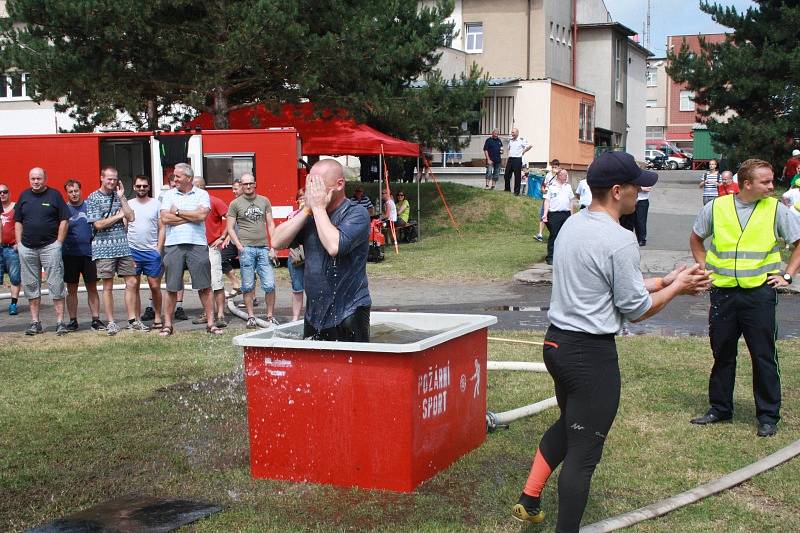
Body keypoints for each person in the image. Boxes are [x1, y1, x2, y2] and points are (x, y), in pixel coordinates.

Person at [512, 151, 710, 531]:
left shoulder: (571, 224)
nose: (641, 192)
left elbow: (609, 288)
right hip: (590, 356)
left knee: (571, 423)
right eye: (637, 186)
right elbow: (635, 309)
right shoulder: (620, 240)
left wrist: (666, 282)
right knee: (584, 452)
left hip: (557, 345)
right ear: (618, 191)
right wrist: (678, 289)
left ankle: (529, 498)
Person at [689, 158, 800, 438]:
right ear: (746, 183)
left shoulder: (775, 209)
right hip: (724, 293)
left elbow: (798, 242)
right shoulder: (716, 207)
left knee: (763, 355)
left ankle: (767, 415)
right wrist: (704, 267)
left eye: (772, 180)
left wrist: (788, 275)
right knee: (722, 353)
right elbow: (696, 238)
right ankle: (720, 408)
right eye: (766, 182)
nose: (772, 186)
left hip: (759, 294)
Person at [272, 159, 371, 341]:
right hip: (315, 313)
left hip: (350, 310)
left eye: (318, 185)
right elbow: (277, 241)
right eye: (311, 185)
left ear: (339, 184)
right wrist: (307, 210)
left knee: (352, 369)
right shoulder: (311, 215)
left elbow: (334, 246)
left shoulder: (357, 213)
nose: (313, 192)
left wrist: (317, 209)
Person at [159, 162, 223, 336]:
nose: (174, 179)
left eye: (178, 176)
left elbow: (202, 215)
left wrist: (178, 212)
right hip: (173, 245)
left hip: (198, 244)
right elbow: (164, 218)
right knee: (172, 287)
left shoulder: (202, 194)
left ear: (188, 178)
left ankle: (211, 324)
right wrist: (191, 216)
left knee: (205, 286)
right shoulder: (168, 194)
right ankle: (167, 325)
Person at [86, 167, 147, 335]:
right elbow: (97, 224)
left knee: (132, 282)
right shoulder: (93, 198)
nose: (112, 182)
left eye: (114, 179)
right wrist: (118, 216)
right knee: (107, 286)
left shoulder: (118, 195)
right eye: (109, 179)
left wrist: (122, 198)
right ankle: (111, 322)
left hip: (123, 246)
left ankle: (133, 320)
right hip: (103, 248)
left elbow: (131, 217)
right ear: (101, 178)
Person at [14, 167, 70, 335]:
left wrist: (58, 243)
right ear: (29, 179)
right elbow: (18, 222)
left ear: (45, 178)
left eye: (39, 178)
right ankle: (35, 323)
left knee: (56, 284)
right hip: (27, 249)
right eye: (33, 179)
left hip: (50, 248)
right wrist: (19, 244)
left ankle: (60, 322)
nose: (36, 181)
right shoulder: (24, 196)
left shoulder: (54, 195)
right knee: (31, 285)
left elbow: (64, 220)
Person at [226, 172, 278, 329]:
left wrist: (273, 246)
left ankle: (270, 316)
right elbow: (229, 227)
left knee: (269, 285)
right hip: (246, 249)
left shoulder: (264, 201)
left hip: (263, 248)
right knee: (248, 285)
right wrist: (240, 246)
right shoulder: (235, 204)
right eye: (245, 184)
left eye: (250, 183)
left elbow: (270, 224)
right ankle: (251, 317)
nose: (248, 186)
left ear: (255, 184)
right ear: (241, 185)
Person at [62, 180, 103, 331]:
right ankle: (73, 320)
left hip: (89, 253)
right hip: (70, 254)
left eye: (76, 191)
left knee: (92, 287)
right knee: (71, 289)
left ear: (81, 190)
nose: (74, 194)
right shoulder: (64, 210)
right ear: (67, 192)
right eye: (70, 191)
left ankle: (96, 320)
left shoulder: (89, 206)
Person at [128, 175, 165, 329]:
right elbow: (124, 228)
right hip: (133, 250)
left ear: (149, 187)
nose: (141, 188)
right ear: (134, 187)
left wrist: (158, 249)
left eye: (144, 186)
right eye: (138, 186)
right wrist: (126, 252)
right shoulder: (128, 204)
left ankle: (157, 317)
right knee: (133, 285)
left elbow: (162, 227)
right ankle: (136, 320)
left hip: (152, 252)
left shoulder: (157, 204)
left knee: (155, 286)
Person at [193, 177, 228, 328]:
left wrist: (223, 237)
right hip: (195, 248)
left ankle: (220, 314)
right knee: (202, 283)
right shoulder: (190, 203)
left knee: (216, 283)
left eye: (198, 186)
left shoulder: (214, 201)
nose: (195, 189)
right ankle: (207, 313)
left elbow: (231, 217)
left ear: (203, 187)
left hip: (211, 247)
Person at [542, 169, 574, 265]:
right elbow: (547, 201)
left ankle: (563, 256)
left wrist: (571, 215)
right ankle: (550, 257)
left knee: (565, 236)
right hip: (554, 214)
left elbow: (571, 201)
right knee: (554, 235)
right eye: (565, 175)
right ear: (559, 176)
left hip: (566, 213)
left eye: (567, 175)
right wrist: (545, 214)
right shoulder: (552, 187)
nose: (566, 177)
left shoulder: (568, 187)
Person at [0, 184, 21, 315]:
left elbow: (23, 224)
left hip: (11, 248)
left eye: (5, 192)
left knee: (14, 277)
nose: (2, 194)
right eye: (0, 192)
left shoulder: (16, 207)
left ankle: (13, 304)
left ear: (9, 193)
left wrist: (19, 242)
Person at [287, 188, 306, 322]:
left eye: (306, 198)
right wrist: (301, 212)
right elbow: (289, 235)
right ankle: (295, 318)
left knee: (314, 287)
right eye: (301, 198)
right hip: (297, 252)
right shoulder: (292, 215)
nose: (303, 200)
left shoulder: (317, 214)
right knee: (298, 287)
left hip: (312, 252)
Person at [536, 159, 560, 241]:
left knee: (554, 217)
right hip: (547, 197)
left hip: (556, 199)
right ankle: (540, 234)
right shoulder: (548, 175)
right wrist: (543, 189)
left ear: (558, 167)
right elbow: (544, 185)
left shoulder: (561, 174)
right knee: (543, 214)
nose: (554, 168)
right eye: (552, 167)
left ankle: (556, 234)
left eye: (555, 167)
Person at [504, 128, 532, 195]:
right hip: (510, 159)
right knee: (506, 175)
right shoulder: (511, 141)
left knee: (517, 176)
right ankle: (507, 190)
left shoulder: (521, 140)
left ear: (517, 133)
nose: (512, 134)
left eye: (513, 132)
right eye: (512, 132)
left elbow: (530, 145)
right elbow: (509, 150)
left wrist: (524, 152)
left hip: (517, 159)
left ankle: (516, 192)